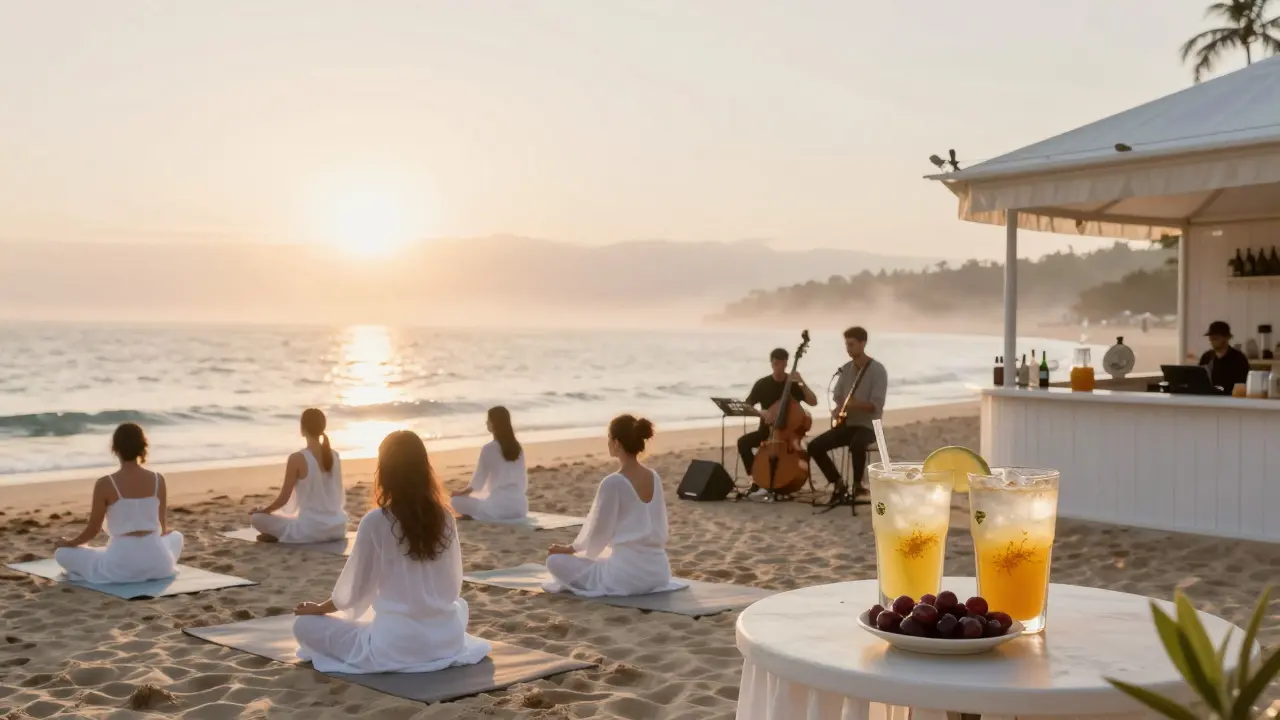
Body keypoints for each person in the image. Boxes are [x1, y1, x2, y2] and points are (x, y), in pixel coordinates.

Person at [293, 430, 491, 674]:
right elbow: (452, 587)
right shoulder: (446, 517)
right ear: (424, 468)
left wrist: (319, 609)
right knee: (459, 605)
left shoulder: (375, 521)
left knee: (303, 625)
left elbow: (354, 592)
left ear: (384, 470)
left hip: (397, 646)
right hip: (446, 640)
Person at [544, 414, 683, 597]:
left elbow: (598, 532)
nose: (608, 442)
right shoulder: (654, 477)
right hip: (659, 573)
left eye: (609, 438)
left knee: (554, 561)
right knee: (604, 555)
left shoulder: (613, 482)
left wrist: (571, 548)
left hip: (627, 577)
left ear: (616, 443)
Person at [54, 423, 183, 584]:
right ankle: (146, 559)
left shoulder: (105, 483)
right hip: (160, 566)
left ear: (115, 449)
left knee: (62, 553)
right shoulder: (158, 480)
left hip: (121, 567)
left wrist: (70, 543)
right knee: (176, 536)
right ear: (142, 447)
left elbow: (93, 530)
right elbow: (162, 529)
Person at [806, 326, 888, 503]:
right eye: (847, 345)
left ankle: (858, 485)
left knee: (857, 444)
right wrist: (838, 409)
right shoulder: (846, 369)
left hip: (869, 425)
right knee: (814, 446)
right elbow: (838, 396)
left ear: (863, 343)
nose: (848, 349)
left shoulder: (878, 370)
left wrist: (853, 404)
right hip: (848, 424)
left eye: (852, 344)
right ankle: (838, 483)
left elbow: (876, 405)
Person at [249, 408, 349, 543]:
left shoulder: (297, 458)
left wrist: (264, 511)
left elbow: (283, 499)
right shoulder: (335, 455)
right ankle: (275, 534)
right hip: (338, 529)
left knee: (256, 518)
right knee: (291, 519)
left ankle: (275, 534)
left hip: (311, 531)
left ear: (303, 429)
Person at [738, 347, 818, 499]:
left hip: (788, 437)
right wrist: (761, 412)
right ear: (771, 363)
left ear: (787, 364)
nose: (779, 368)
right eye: (776, 364)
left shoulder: (794, 384)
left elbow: (813, 402)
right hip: (766, 432)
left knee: (801, 454)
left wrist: (802, 382)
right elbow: (747, 405)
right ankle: (755, 480)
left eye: (782, 364)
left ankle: (786, 480)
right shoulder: (762, 384)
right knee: (743, 443)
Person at [450, 406, 528, 521]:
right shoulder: (517, 447)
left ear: (494, 424)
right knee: (485, 497)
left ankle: (474, 515)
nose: (486, 423)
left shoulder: (488, 449)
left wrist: (461, 492)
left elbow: (478, 482)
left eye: (488, 420)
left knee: (455, 501)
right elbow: (523, 482)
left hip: (498, 508)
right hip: (520, 507)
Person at [1198, 321, 1250, 394]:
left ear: (1227, 337)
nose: (1212, 340)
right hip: (1208, 397)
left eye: (1216, 337)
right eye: (1211, 338)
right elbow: (1199, 381)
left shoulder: (1239, 358)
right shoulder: (1206, 357)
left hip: (1231, 398)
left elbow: (1242, 385)